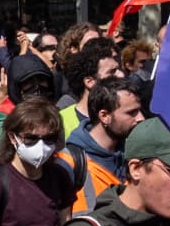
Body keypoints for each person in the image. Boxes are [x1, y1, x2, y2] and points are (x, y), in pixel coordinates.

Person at [62, 77, 145, 212]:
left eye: (139, 111)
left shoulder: (137, 154)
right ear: (104, 116)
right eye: (131, 112)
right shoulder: (70, 162)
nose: (141, 118)